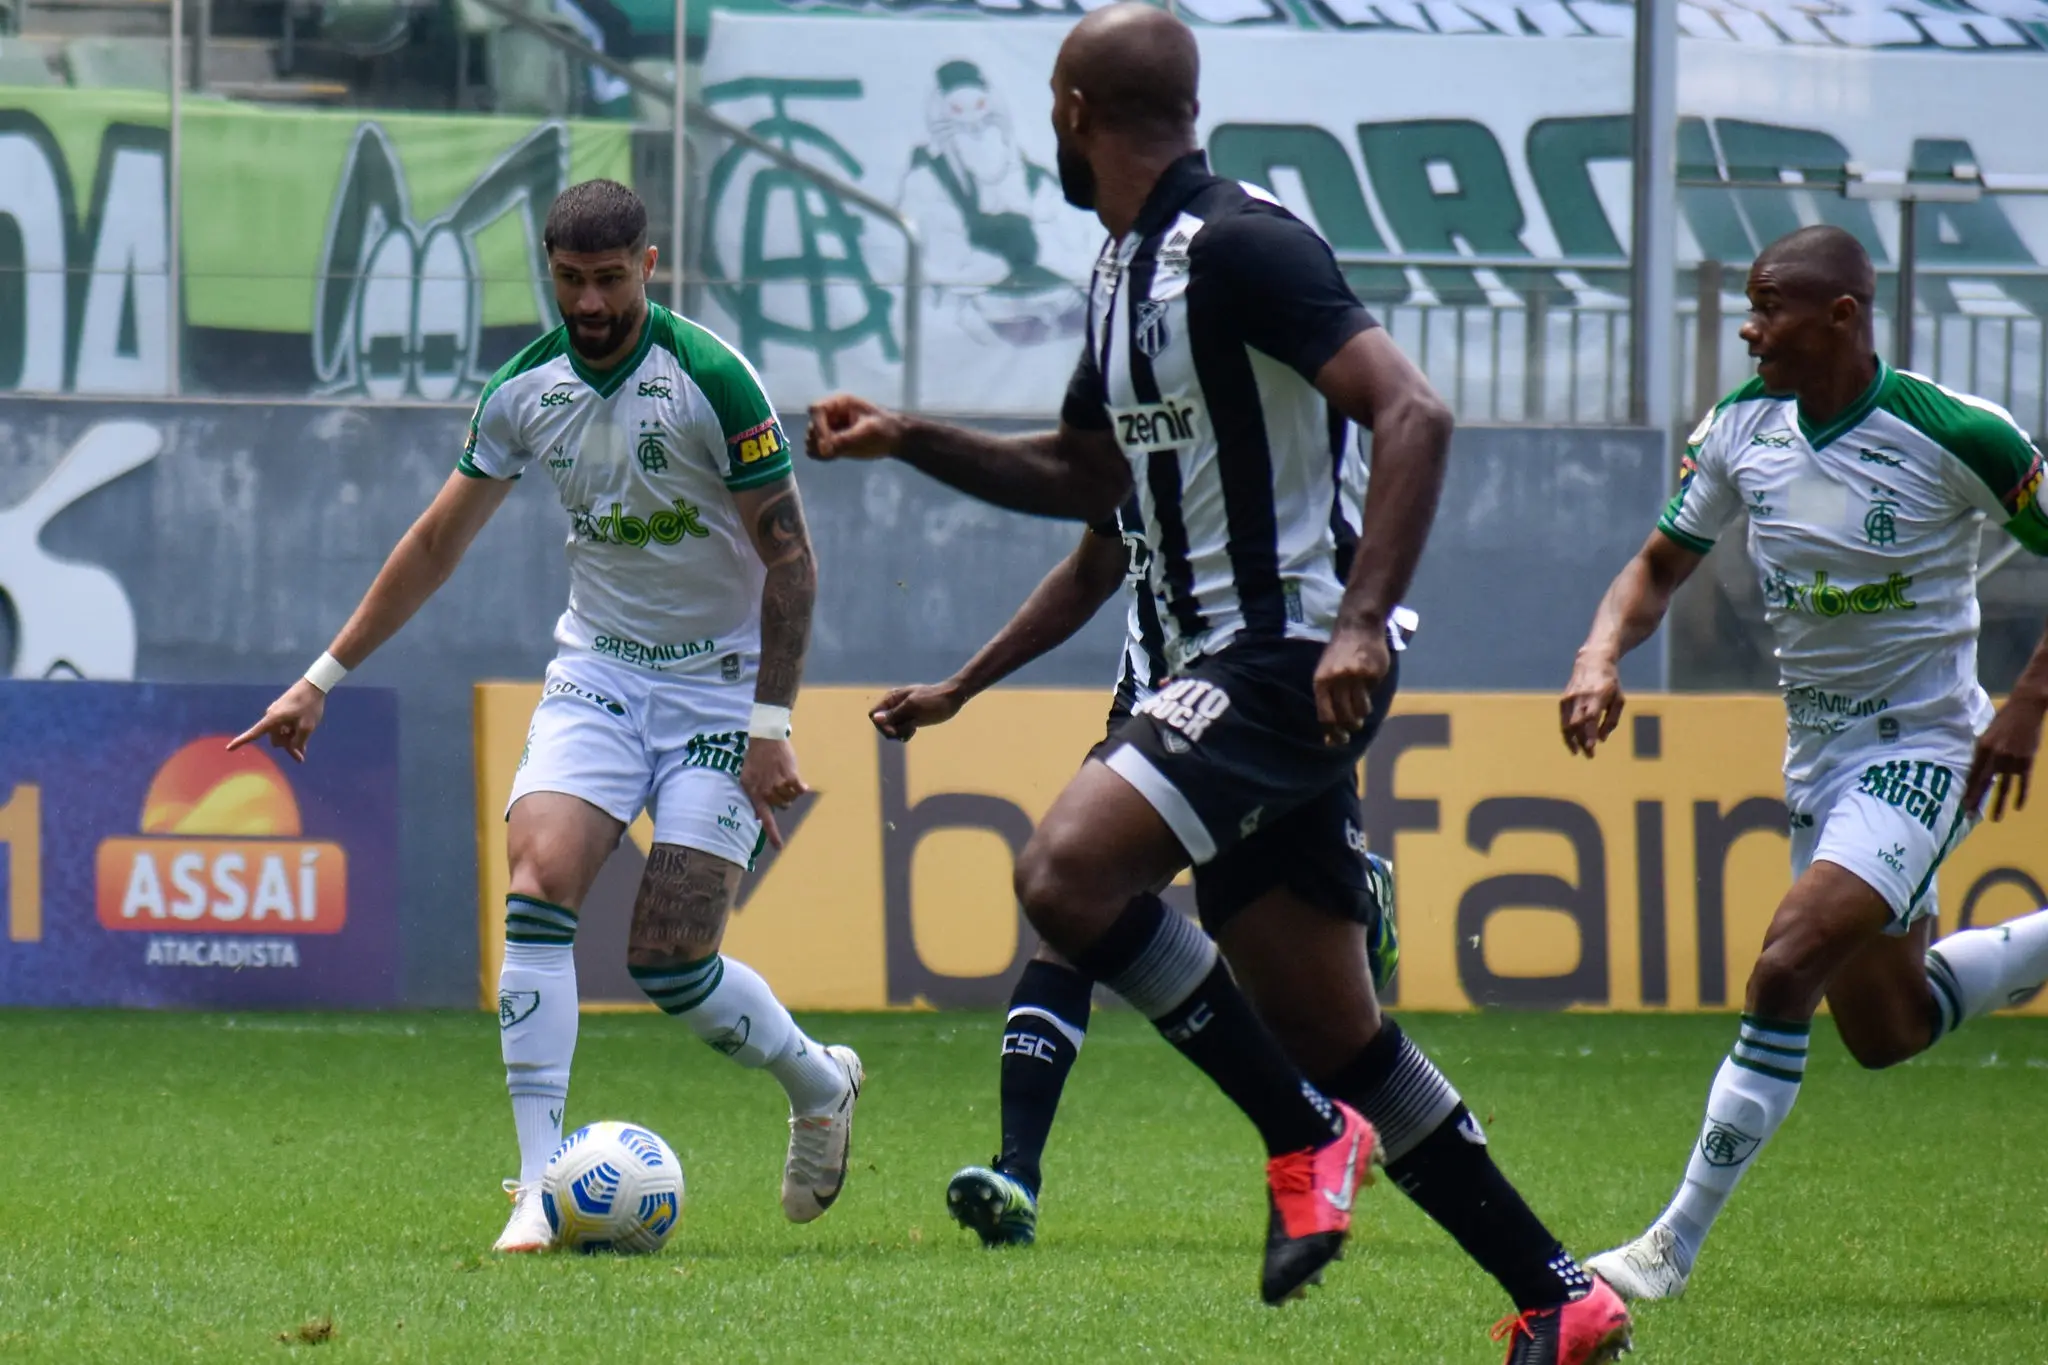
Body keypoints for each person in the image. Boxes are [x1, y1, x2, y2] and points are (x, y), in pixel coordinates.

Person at [809, 6, 1630, 1358]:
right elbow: (1084, 478)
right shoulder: (1119, 271)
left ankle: (1305, 1139)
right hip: (1220, 666)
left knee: (1065, 875)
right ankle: (1560, 1293)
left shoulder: (1241, 244)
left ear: (1072, 109)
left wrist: (1359, 626)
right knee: (1335, 1028)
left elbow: (1414, 410)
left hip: (1287, 656)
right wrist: (908, 436)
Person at [231, 179, 864, 1253]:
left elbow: (791, 559)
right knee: (539, 880)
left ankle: (817, 1085)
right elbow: (436, 542)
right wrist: (320, 678)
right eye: (570, 280)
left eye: (610, 279)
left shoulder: (711, 379)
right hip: (599, 675)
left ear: (648, 267)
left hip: (718, 691)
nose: (589, 303)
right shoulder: (524, 389)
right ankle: (535, 1185)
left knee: (670, 964)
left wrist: (770, 723)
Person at [1564, 223, 2048, 1301]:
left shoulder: (1957, 433)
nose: (1750, 328)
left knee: (1784, 966)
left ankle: (1667, 1247)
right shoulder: (1741, 428)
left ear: (1841, 314)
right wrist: (1598, 654)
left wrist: (2025, 705)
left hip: (1925, 747)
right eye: (1749, 305)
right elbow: (1657, 566)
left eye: (1768, 306)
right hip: (1819, 757)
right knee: (1886, 1028)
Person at [867, 505, 1402, 1247]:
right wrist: (958, 689)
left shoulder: (1275, 456)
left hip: (1268, 703)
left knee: (1294, 974)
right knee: (1069, 907)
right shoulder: (1132, 452)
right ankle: (1017, 1178)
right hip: (1154, 711)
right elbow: (1089, 571)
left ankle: (1350, 907)